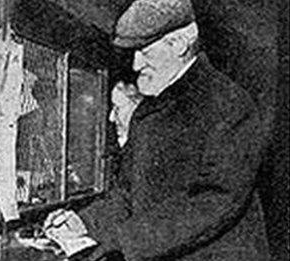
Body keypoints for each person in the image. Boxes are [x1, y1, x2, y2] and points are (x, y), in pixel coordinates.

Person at [44, 0, 270, 260]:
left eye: (144, 51)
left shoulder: (229, 104)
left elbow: (214, 201)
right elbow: (127, 195)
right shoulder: (147, 112)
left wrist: (124, 239)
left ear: (180, 43)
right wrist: (85, 222)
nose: (136, 64)